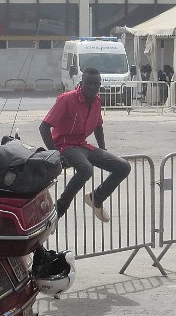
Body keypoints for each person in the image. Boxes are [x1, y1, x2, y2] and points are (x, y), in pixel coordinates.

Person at [40, 66, 131, 222]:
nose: (92, 87)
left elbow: (98, 126)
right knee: (86, 169)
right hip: (65, 145)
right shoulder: (67, 99)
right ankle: (58, 211)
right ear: (81, 82)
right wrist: (55, 153)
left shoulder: (97, 101)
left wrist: (102, 149)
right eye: (88, 83)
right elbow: (44, 127)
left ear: (100, 84)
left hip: (83, 145)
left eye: (96, 84)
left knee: (123, 167)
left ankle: (96, 197)